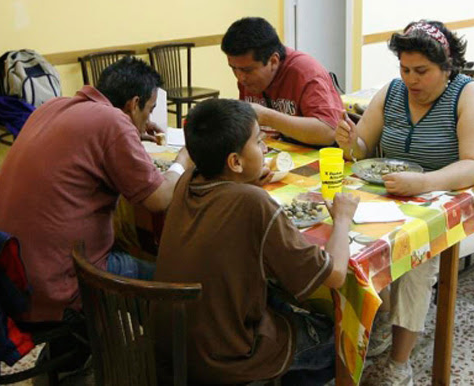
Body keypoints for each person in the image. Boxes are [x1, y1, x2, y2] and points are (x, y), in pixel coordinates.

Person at [153, 98, 359, 385]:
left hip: (174, 347)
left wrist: (248, 183)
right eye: (259, 142)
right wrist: (343, 219)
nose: (264, 149)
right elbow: (335, 275)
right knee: (338, 337)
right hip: (224, 360)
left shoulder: (188, 178)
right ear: (235, 162)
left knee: (276, 301)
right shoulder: (253, 202)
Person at [335, 20, 474, 385]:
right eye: (405, 69)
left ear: (447, 66)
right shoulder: (391, 92)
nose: (411, 79)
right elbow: (361, 148)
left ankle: (399, 363)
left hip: (467, 207)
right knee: (350, 234)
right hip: (401, 200)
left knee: (416, 256)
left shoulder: (470, 95)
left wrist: (424, 182)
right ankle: (375, 318)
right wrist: (348, 141)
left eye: (421, 71)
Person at [0, 56, 193, 322]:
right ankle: (156, 358)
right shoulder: (113, 122)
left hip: (4, 273)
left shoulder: (54, 106)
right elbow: (159, 199)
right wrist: (182, 161)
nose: (148, 119)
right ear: (133, 104)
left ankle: (74, 352)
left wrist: (131, 130)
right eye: (148, 111)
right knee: (173, 281)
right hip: (55, 283)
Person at [221, 16, 343, 146]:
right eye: (233, 68)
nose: (240, 78)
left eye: (248, 70)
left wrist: (267, 117)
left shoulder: (306, 73)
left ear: (273, 61)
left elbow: (329, 132)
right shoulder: (246, 75)